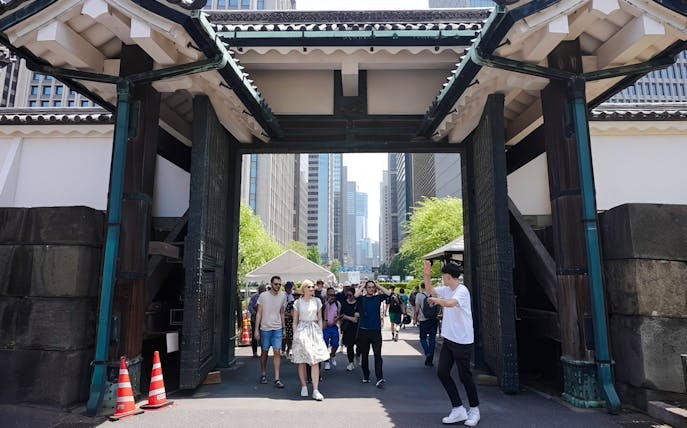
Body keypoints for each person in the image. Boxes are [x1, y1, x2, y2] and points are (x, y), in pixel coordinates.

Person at [424, 261, 480, 426]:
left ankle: (474, 409)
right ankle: (458, 409)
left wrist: (436, 300)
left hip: (462, 340)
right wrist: (427, 275)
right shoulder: (447, 289)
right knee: (442, 373)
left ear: (448, 277)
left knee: (465, 376)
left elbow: (450, 303)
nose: (443, 279)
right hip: (449, 339)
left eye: (443, 277)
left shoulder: (462, 291)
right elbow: (429, 291)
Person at [291, 280, 331, 401]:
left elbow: (320, 318)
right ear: (304, 289)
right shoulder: (298, 303)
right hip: (302, 329)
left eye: (313, 287)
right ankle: (304, 385)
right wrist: (295, 335)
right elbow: (295, 321)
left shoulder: (317, 301)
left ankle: (315, 389)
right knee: (302, 359)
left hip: (314, 330)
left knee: (315, 360)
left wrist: (319, 331)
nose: (312, 289)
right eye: (309, 287)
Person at [354, 280, 391, 388]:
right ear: (366, 288)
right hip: (364, 331)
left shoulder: (378, 298)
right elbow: (356, 295)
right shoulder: (362, 299)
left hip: (376, 331)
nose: (371, 289)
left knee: (378, 355)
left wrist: (378, 285)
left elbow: (389, 293)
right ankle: (366, 375)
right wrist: (363, 285)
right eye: (369, 287)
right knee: (364, 355)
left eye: (372, 287)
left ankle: (379, 378)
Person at [254, 276, 287, 389]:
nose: (277, 286)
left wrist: (283, 328)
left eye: (279, 284)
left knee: (277, 351)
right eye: (276, 284)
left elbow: (282, 312)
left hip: (277, 327)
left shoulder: (283, 296)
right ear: (271, 284)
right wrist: (256, 329)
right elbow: (259, 313)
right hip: (265, 327)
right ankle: (263, 373)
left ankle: (277, 378)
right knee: (265, 352)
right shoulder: (263, 296)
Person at [414, 282, 439, 367]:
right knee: (432, 339)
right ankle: (430, 360)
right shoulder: (435, 294)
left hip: (423, 320)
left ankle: (427, 352)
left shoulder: (419, 295)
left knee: (423, 338)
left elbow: (417, 309)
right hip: (433, 320)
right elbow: (439, 307)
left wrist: (415, 318)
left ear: (421, 287)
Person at [339, 286, 360, 371]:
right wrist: (351, 318)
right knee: (350, 346)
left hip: (358, 328)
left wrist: (358, 315)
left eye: (350, 295)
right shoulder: (344, 303)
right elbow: (341, 315)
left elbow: (361, 313)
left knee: (360, 346)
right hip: (348, 328)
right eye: (347, 295)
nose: (349, 297)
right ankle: (350, 363)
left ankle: (358, 355)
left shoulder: (358, 303)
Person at [322, 287, 341, 370]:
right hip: (325, 327)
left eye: (334, 295)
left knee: (336, 344)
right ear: (327, 295)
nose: (332, 297)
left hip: (334, 327)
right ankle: (326, 361)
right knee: (325, 345)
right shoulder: (323, 303)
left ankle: (332, 355)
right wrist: (327, 303)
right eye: (330, 295)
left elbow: (339, 314)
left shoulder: (337, 304)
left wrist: (337, 319)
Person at [248, 284, 267, 358]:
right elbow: (250, 306)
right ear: (259, 290)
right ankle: (254, 352)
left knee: (263, 335)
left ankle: (263, 351)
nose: (264, 291)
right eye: (262, 289)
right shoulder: (254, 297)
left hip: (264, 319)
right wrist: (255, 313)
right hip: (255, 319)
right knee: (254, 336)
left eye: (264, 289)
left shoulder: (266, 298)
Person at [283, 281, 296, 358]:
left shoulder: (292, 297)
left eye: (289, 288)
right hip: (285, 319)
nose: (288, 289)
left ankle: (290, 349)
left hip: (291, 319)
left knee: (292, 336)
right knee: (286, 336)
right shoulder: (283, 296)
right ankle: (286, 349)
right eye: (287, 287)